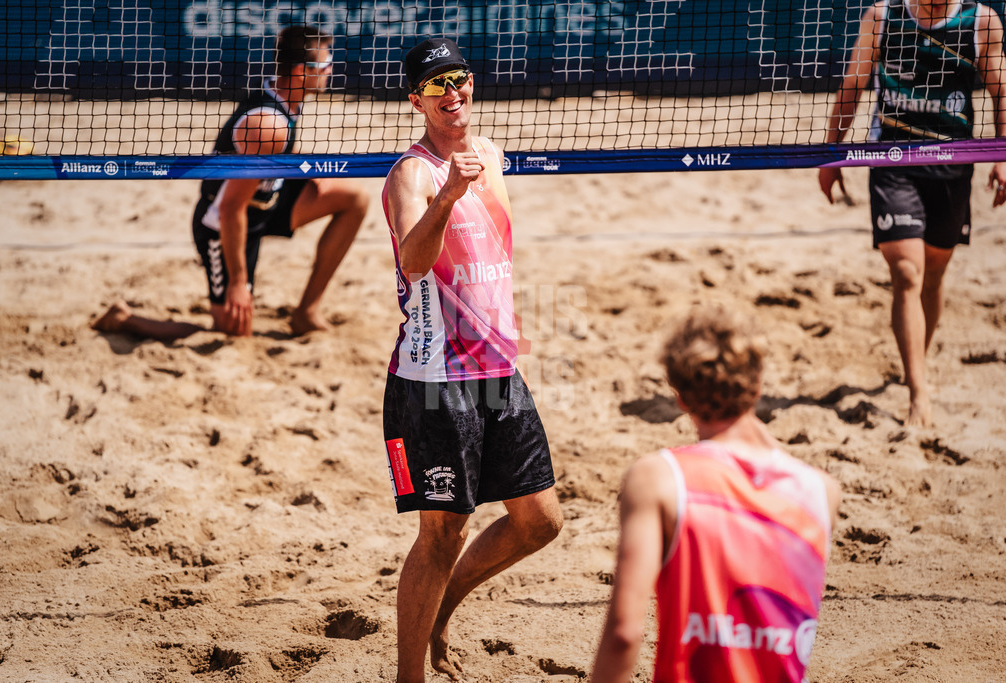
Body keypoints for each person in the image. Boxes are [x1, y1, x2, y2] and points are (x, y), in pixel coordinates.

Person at [380, 38, 563, 683]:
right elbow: (413, 261)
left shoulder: (491, 156)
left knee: (540, 523)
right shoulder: (413, 173)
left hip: (497, 369)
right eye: (436, 86)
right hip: (434, 381)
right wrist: (447, 197)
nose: (451, 92)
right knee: (440, 534)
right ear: (417, 101)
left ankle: (443, 610)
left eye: (458, 78)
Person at [591, 306, 841, 683]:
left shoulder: (660, 478)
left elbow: (625, 634)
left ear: (681, 399)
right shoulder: (821, 491)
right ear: (757, 387)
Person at [94, 26, 368, 341]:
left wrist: (304, 170)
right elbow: (230, 207)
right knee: (232, 334)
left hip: (265, 201)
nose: (330, 70)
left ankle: (306, 312)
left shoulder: (285, 97)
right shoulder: (266, 126)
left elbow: (278, 150)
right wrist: (238, 282)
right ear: (299, 72)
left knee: (354, 199)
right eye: (323, 66)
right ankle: (125, 318)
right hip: (224, 224)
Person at [818, 0, 1006, 427]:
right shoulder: (882, 18)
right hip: (891, 158)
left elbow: (1002, 90)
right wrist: (832, 154)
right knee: (907, 272)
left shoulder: (980, 21)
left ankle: (914, 360)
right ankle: (918, 391)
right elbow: (852, 86)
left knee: (934, 273)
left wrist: (1002, 154)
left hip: (951, 161)